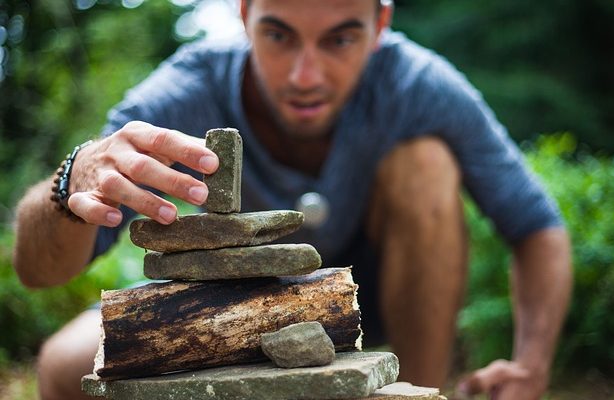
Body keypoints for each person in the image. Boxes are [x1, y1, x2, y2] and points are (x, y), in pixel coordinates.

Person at [12, 0, 572, 399]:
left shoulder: (419, 85)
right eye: (279, 35)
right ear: (244, 16)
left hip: (376, 306)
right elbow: (39, 270)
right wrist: (71, 181)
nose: (306, 75)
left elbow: (535, 225)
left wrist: (533, 365)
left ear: (379, 25)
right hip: (225, 311)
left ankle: (417, 392)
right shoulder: (189, 88)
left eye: (339, 39)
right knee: (66, 366)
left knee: (426, 165)